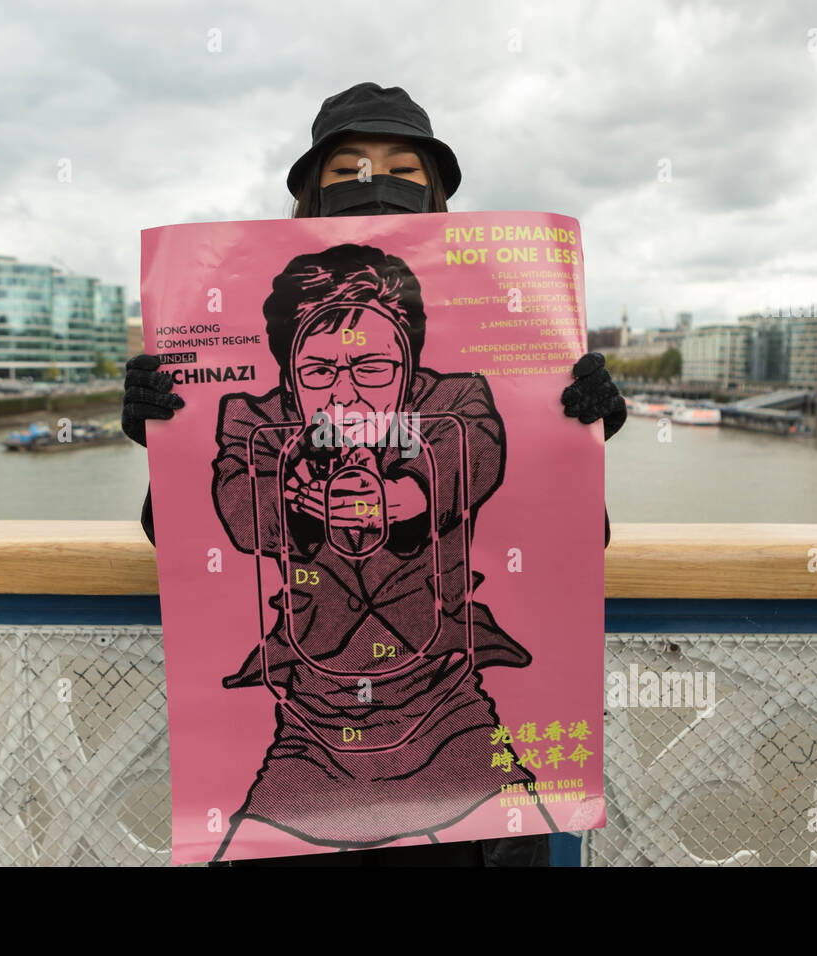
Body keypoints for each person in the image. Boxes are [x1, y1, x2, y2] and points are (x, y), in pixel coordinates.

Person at [122, 82, 627, 866]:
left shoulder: (464, 397)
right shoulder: (249, 418)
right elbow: (198, 535)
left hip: (452, 719)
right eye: (348, 169)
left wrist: (580, 436)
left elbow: (559, 524)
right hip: (312, 735)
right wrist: (164, 444)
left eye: (401, 168)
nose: (373, 183)